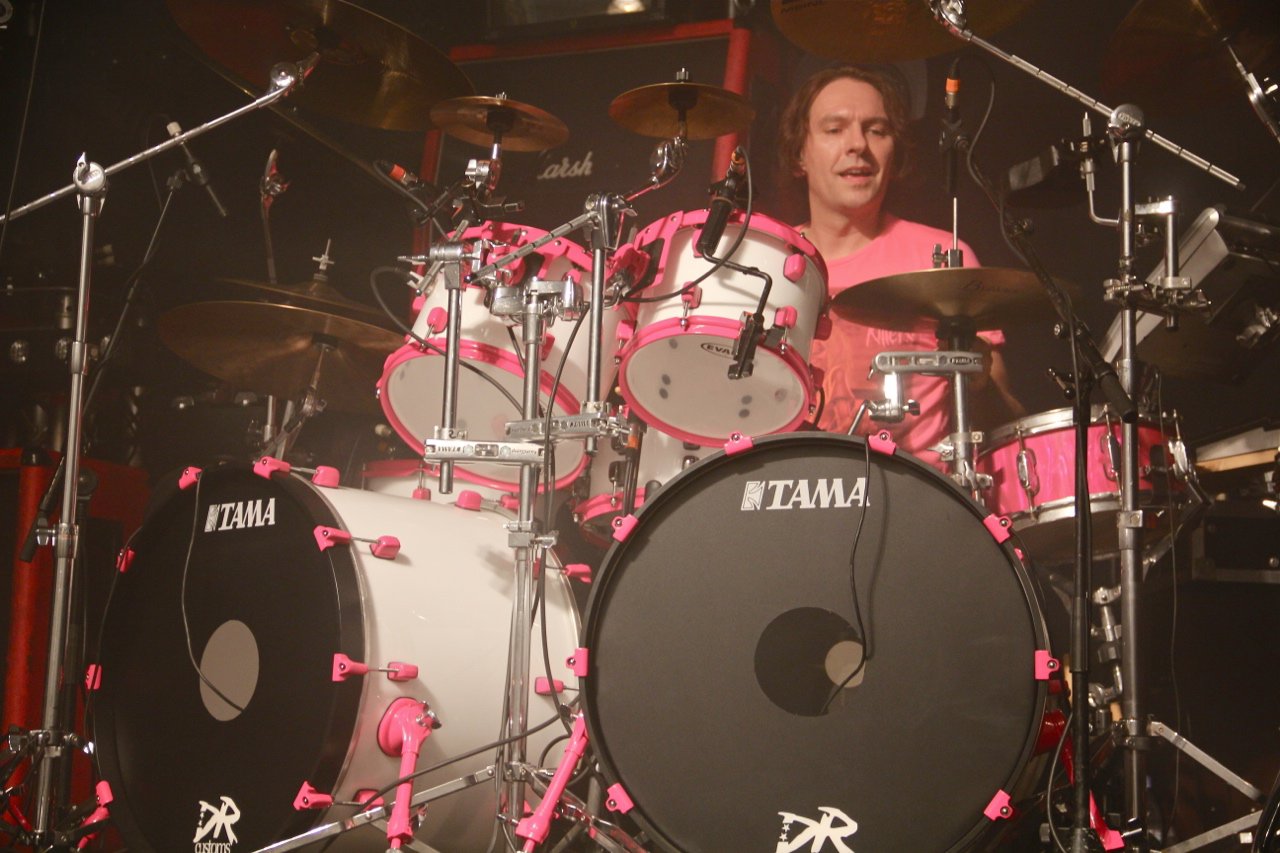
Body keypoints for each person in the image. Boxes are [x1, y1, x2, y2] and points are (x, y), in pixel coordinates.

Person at [777, 65, 1025, 466]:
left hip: (919, 492)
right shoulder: (766, 262)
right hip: (791, 489)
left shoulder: (943, 257)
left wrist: (979, 385)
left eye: (877, 130)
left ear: (895, 153)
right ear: (798, 153)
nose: (858, 145)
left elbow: (1006, 426)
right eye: (835, 129)